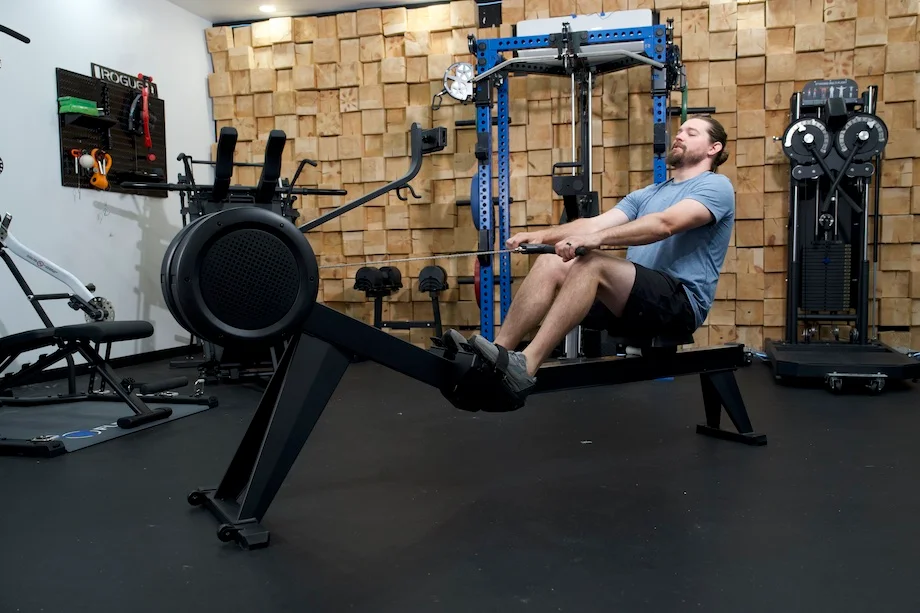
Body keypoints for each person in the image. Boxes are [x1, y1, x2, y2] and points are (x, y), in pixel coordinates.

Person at [466, 115, 735, 405]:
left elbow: (664, 224)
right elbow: (594, 224)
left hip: (680, 305)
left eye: (691, 133)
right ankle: (498, 355)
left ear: (713, 149)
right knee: (551, 260)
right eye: (680, 130)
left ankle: (526, 365)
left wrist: (595, 241)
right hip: (634, 303)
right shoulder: (648, 193)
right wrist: (542, 235)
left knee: (591, 262)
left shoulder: (716, 187)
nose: (679, 135)